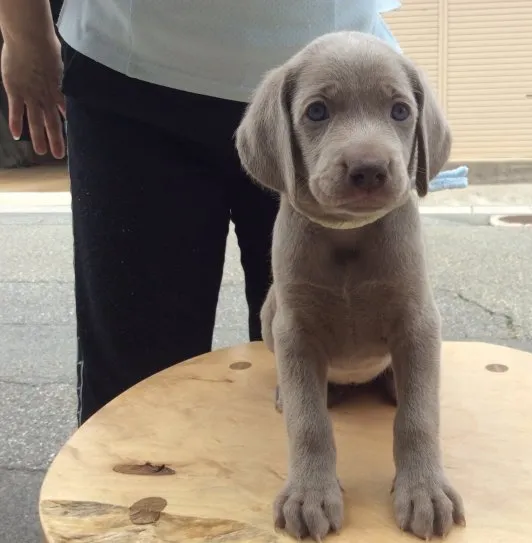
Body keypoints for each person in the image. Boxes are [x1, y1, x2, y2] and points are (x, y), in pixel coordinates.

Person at [0, 0, 403, 425]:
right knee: (139, 393)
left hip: (325, 85)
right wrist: (25, 34)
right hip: (132, 69)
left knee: (340, 384)